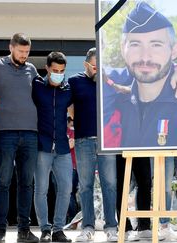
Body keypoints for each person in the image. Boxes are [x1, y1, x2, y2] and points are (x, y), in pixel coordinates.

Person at [115, 2, 177, 148]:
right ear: (123, 49)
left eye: (156, 45)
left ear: (174, 50)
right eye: (135, 44)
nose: (145, 57)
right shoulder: (114, 100)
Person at [0, 33, 39, 243]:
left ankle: (24, 230)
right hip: (4, 132)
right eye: (21, 52)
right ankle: (0, 230)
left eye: (27, 52)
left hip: (30, 133)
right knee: (3, 182)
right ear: (11, 47)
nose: (24, 56)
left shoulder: (32, 69)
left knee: (27, 183)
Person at [68, 48, 118, 242]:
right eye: (95, 66)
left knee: (110, 185)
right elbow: (69, 107)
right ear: (86, 64)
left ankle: (111, 227)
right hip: (83, 140)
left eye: (101, 67)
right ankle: (87, 226)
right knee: (86, 185)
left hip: (108, 142)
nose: (97, 70)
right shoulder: (74, 81)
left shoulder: (108, 82)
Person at [32, 51, 73, 242]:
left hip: (63, 148)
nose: (58, 74)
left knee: (66, 188)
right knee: (41, 189)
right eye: (55, 70)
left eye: (62, 71)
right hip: (42, 145)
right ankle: (45, 230)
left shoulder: (68, 89)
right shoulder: (36, 86)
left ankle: (58, 229)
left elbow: (75, 109)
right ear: (47, 68)